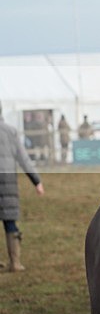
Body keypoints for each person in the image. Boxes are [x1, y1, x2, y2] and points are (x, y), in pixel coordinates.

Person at [0, 101, 45, 272]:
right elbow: (23, 159)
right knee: (10, 221)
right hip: (8, 182)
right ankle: (15, 262)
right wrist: (37, 181)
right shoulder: (10, 131)